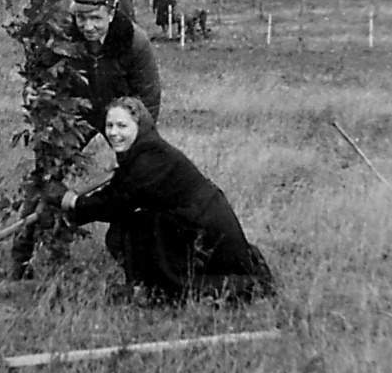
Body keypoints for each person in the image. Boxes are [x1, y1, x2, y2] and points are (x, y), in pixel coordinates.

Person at [42, 96, 275, 305]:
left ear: (140, 126)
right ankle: (150, 287)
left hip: (207, 230)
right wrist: (74, 202)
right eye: (110, 125)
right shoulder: (141, 152)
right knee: (133, 226)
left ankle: (168, 290)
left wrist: (72, 203)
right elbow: (117, 192)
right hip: (192, 219)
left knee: (135, 228)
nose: (113, 133)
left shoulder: (151, 158)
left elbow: (117, 205)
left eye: (122, 126)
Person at [9, 0, 162, 280]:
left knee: (145, 176)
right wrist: (35, 93)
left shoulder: (134, 42)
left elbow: (148, 102)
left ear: (111, 13)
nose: (88, 26)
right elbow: (40, 77)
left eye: (96, 18)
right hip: (77, 114)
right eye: (82, 18)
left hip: (121, 115)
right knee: (46, 174)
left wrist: (133, 145)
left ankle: (142, 257)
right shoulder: (63, 37)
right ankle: (22, 256)